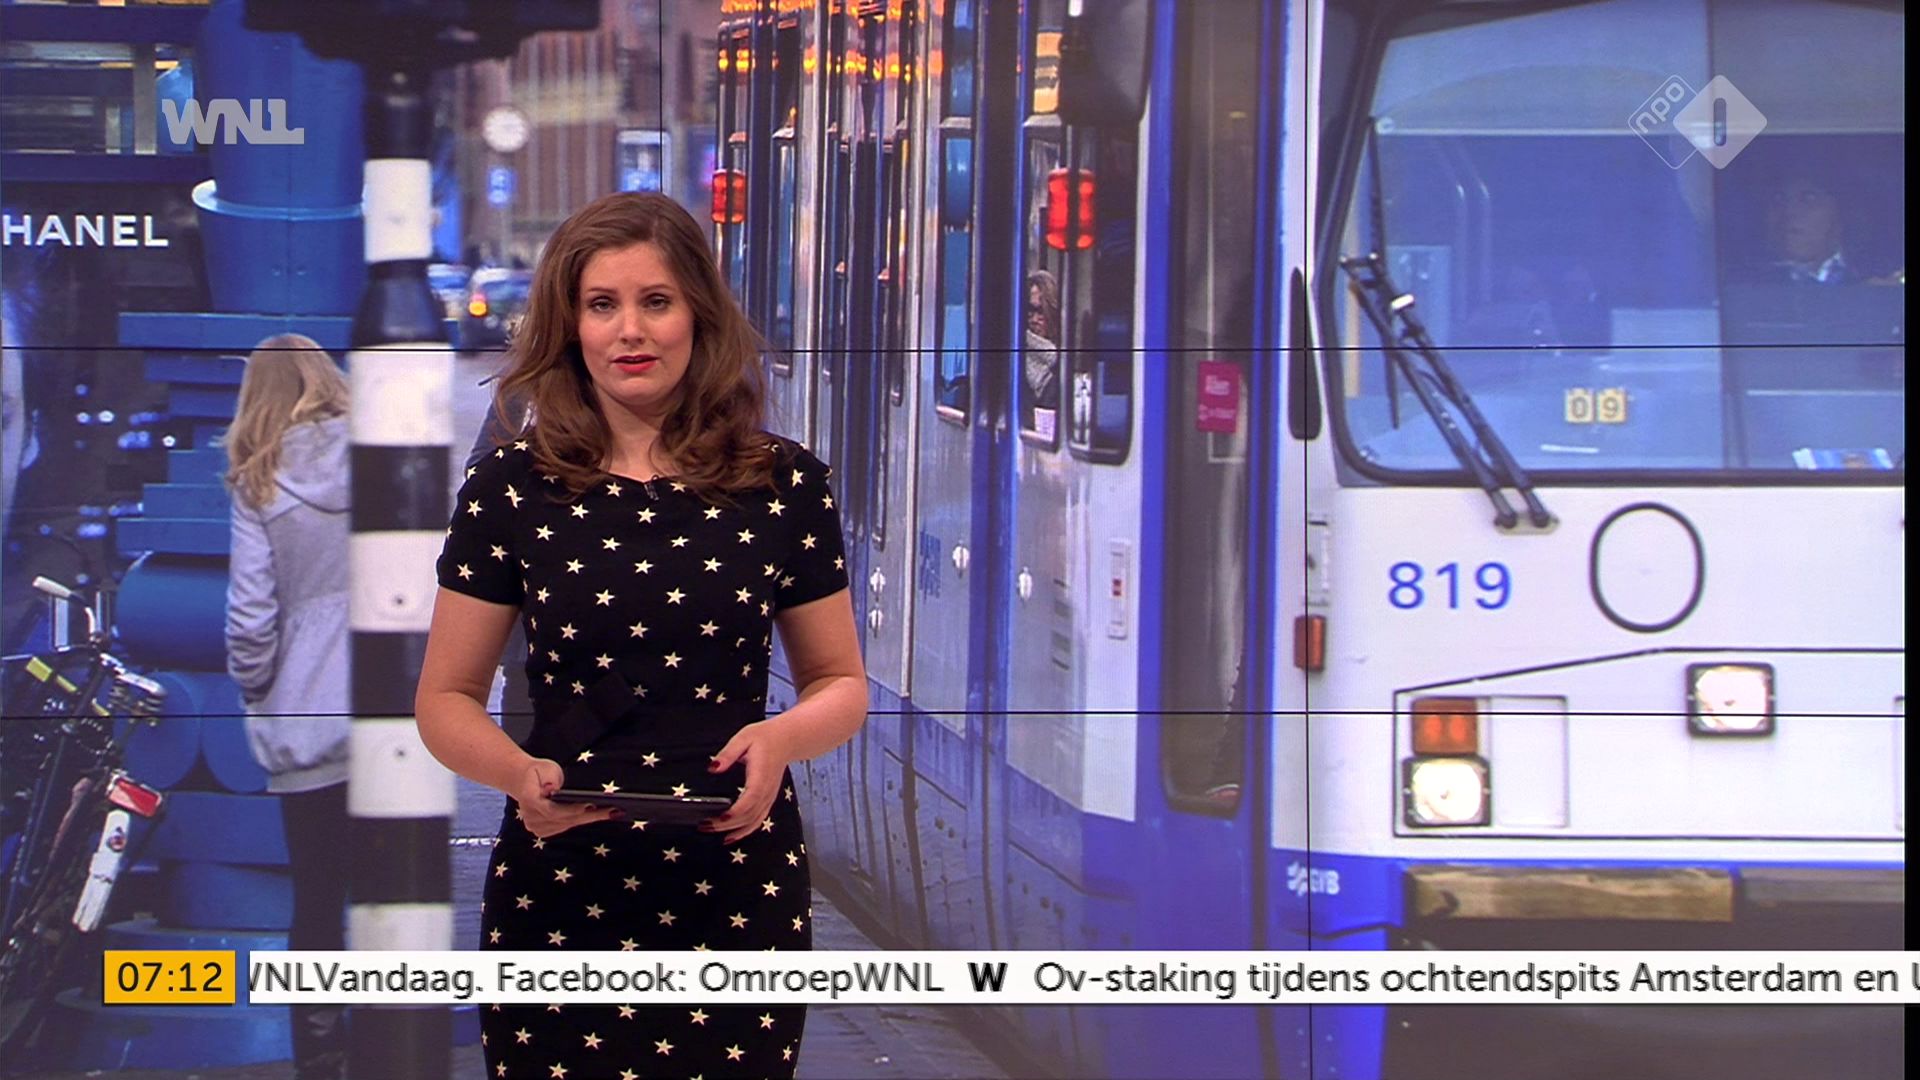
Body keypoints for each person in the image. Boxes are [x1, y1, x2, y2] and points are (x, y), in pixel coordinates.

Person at [416, 191, 867, 1080]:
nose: (631, 330)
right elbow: (444, 699)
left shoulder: (785, 486)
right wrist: (518, 776)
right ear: (569, 324)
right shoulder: (510, 490)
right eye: (602, 304)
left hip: (735, 884)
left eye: (656, 301)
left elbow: (840, 684)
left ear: (698, 314)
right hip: (560, 883)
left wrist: (781, 741)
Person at [219, 332, 352, 1080]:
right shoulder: (382, 457)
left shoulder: (258, 481)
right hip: (395, 715)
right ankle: (397, 1039)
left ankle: (320, 1050)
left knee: (318, 894)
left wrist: (260, 689)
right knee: (399, 889)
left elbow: (250, 619)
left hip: (307, 723)